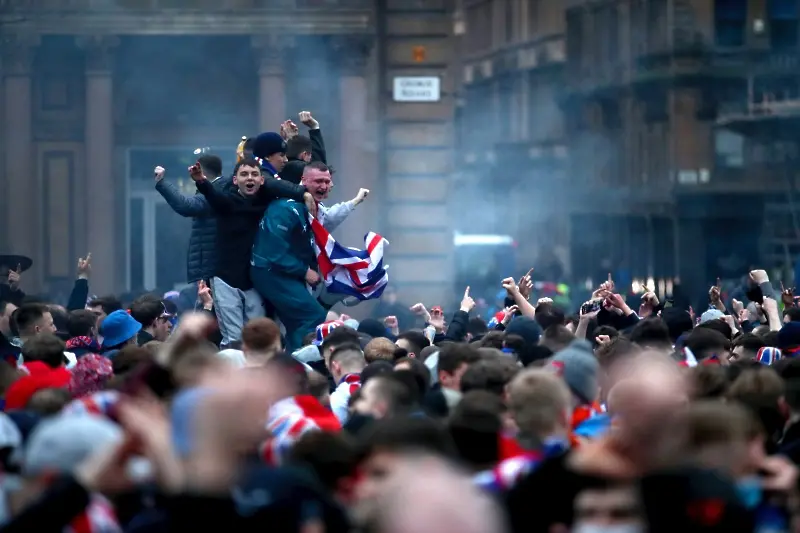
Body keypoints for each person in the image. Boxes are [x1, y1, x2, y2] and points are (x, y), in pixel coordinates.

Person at [191, 157, 313, 347]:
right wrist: (201, 181)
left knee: (258, 336)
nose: (250, 178)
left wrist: (304, 193)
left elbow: (283, 184)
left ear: (261, 180)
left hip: (253, 280)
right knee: (234, 338)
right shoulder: (228, 202)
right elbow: (215, 197)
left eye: (254, 174)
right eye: (244, 174)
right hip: (225, 278)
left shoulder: (268, 202)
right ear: (235, 180)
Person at [250, 162, 330, 352]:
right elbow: (273, 251)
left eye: (327, 182)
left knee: (297, 323)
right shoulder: (286, 208)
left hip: (282, 271)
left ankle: (295, 363)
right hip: (270, 271)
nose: (323, 186)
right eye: (318, 181)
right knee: (314, 315)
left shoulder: (308, 207)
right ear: (303, 181)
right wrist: (304, 271)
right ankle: (302, 362)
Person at [154, 154, 225, 284]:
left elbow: (186, 206)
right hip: (215, 265)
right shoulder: (219, 188)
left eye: (195, 169)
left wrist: (161, 182)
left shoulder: (215, 190)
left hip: (213, 267)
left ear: (201, 170)